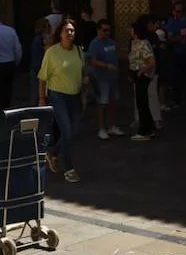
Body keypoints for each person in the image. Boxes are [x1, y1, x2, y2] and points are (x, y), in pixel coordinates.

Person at [37, 18, 85, 182]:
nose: (70, 33)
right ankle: (69, 169)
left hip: (75, 96)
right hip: (57, 96)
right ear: (60, 33)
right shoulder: (52, 52)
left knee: (73, 132)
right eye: (67, 30)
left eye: (72, 30)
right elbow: (42, 77)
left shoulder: (79, 51)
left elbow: (81, 73)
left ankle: (52, 151)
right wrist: (42, 98)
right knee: (67, 131)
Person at [88, 18, 124, 140]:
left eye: (109, 30)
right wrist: (106, 65)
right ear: (99, 30)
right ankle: (101, 128)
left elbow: (117, 55)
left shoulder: (113, 43)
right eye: (104, 30)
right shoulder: (95, 44)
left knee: (113, 102)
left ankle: (112, 126)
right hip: (101, 78)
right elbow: (92, 60)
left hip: (113, 77)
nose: (107, 33)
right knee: (102, 103)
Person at [128, 16, 157, 141]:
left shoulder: (143, 43)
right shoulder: (133, 43)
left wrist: (142, 71)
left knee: (142, 103)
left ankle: (145, 130)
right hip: (135, 74)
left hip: (142, 75)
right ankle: (149, 127)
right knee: (141, 102)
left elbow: (151, 61)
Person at [28, 17, 50, 106]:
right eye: (47, 26)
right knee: (36, 94)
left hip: (39, 69)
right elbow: (38, 57)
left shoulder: (43, 39)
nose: (49, 28)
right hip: (38, 69)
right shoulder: (38, 40)